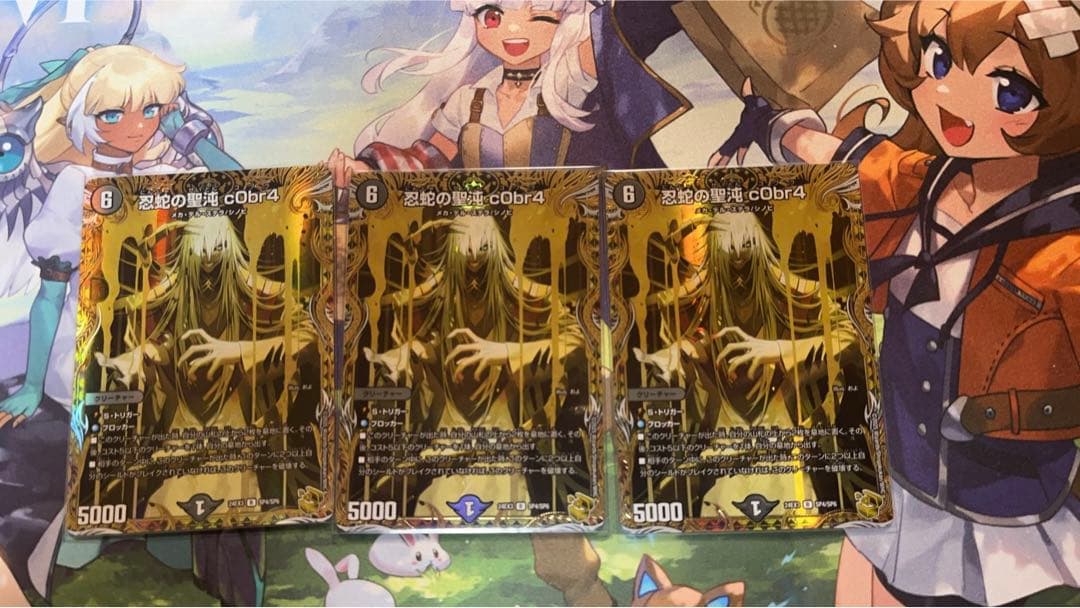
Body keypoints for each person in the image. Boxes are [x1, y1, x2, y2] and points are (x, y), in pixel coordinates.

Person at [713, 1, 1080, 604]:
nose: (951, 98)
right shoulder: (920, 182)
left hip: (1006, 504)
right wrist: (768, 123)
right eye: (937, 62)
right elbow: (833, 155)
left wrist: (1007, 414)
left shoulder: (1065, 243)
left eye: (1008, 89)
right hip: (901, 477)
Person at [364, 214, 586, 518]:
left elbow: (578, 343)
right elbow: (419, 363)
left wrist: (506, 352)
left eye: (481, 256)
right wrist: (412, 358)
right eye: (466, 257)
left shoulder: (528, 300)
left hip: (506, 455)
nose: (473, 275)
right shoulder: (428, 304)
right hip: (442, 457)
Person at [326, 0, 689, 183]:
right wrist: (367, 170)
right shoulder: (470, 100)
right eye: (493, 15)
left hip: (574, 249)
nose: (514, 29)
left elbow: (627, 22)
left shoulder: (571, 78)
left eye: (537, 10)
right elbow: (428, 162)